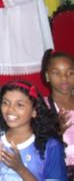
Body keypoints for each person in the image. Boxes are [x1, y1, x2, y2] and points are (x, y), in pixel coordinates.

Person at [0, 81, 67, 180]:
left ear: (34, 111)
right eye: (6, 103)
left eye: (19, 105)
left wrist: (20, 169)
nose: (10, 109)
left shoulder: (50, 146)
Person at [41, 49, 74, 178]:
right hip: (59, 172)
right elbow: (35, 145)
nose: (64, 78)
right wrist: (55, 131)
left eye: (70, 73)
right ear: (47, 76)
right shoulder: (42, 107)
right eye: (56, 73)